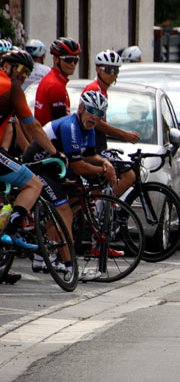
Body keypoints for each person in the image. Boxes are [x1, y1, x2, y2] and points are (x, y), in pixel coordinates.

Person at [23, 91, 117, 276]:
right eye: (90, 110)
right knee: (64, 211)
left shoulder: (88, 128)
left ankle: (43, 257)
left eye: (99, 113)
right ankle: (69, 265)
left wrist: (105, 163)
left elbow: (90, 156)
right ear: (81, 108)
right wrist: (103, 170)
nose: (94, 116)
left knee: (72, 204)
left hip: (56, 169)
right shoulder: (70, 126)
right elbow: (79, 166)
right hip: (38, 168)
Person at [0, 49, 67, 282]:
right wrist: (54, 152)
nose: (22, 75)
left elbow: (11, 126)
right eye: (18, 69)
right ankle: (10, 231)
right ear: (6, 65)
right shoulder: (13, 90)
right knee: (34, 184)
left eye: (26, 72)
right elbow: (33, 127)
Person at [81, 49, 139, 196]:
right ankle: (101, 205)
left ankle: (102, 209)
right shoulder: (94, 90)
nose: (112, 74)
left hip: (97, 144)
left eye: (115, 70)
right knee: (129, 175)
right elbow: (96, 123)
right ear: (97, 70)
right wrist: (123, 135)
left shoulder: (102, 90)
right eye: (107, 69)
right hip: (91, 146)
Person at [34, 37, 81, 127]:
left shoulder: (52, 79)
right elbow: (62, 125)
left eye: (75, 60)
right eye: (68, 60)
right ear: (55, 59)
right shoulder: (55, 85)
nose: (72, 64)